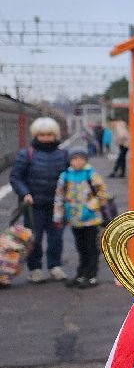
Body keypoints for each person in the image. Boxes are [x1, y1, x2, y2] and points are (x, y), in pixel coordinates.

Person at [9, 116, 69, 283]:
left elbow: (71, 177)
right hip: (34, 206)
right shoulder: (26, 154)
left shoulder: (63, 155)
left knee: (56, 238)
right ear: (36, 135)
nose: (46, 138)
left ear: (55, 135)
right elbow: (15, 177)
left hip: (57, 206)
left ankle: (55, 266)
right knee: (34, 239)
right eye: (42, 135)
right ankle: (35, 269)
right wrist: (25, 193)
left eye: (49, 134)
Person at [53, 149, 108, 288]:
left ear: (85, 160)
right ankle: (81, 274)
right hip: (74, 218)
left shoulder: (91, 174)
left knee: (91, 247)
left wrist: (92, 206)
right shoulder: (65, 176)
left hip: (91, 219)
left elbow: (103, 193)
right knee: (80, 247)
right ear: (70, 161)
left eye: (81, 158)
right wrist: (58, 216)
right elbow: (59, 196)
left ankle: (92, 275)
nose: (78, 161)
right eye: (74, 159)